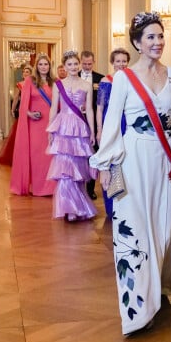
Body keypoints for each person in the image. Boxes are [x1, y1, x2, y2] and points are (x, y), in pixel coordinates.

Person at [89, 12, 171, 336]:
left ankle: (159, 291)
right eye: (150, 37)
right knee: (136, 231)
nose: (157, 42)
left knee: (165, 229)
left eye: (160, 36)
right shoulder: (124, 78)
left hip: (164, 162)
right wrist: (106, 165)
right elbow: (111, 126)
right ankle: (137, 310)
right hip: (133, 159)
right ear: (137, 43)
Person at [46, 50, 97, 221]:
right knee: (65, 169)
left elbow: (89, 109)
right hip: (63, 127)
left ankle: (78, 205)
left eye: (76, 64)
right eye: (70, 64)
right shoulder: (58, 85)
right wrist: (51, 130)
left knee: (78, 169)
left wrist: (93, 131)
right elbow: (54, 108)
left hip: (80, 128)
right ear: (65, 67)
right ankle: (70, 208)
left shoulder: (86, 85)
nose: (74, 67)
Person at [9, 56, 55, 196]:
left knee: (49, 155)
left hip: (51, 123)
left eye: (46, 64)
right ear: (36, 66)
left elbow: (58, 103)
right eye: (40, 64)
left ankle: (50, 188)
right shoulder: (30, 81)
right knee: (36, 156)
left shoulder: (55, 82)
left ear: (49, 66)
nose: (43, 67)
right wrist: (29, 113)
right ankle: (37, 188)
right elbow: (24, 103)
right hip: (35, 124)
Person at [96, 47, 131, 219]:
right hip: (111, 126)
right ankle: (112, 206)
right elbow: (100, 109)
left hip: (128, 125)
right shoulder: (106, 80)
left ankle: (127, 204)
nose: (121, 64)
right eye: (118, 61)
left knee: (127, 163)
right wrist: (100, 130)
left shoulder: (132, 80)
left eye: (124, 61)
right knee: (110, 164)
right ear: (112, 62)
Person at [80, 50, 105, 200]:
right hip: (77, 120)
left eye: (90, 64)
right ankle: (78, 187)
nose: (87, 66)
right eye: (84, 64)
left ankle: (90, 189)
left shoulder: (100, 78)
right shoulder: (74, 76)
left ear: (93, 62)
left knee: (92, 154)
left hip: (94, 121)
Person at [0, 65, 33, 166]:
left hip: (33, 111)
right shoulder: (20, 84)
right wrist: (12, 109)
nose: (25, 73)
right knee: (19, 134)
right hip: (23, 111)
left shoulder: (35, 84)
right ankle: (18, 157)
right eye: (24, 72)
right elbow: (16, 98)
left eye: (27, 72)